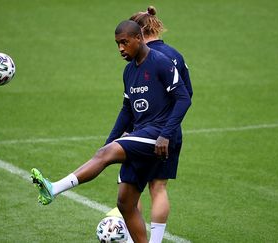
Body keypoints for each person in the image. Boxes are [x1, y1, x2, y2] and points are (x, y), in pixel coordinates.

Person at [31, 20, 191, 243]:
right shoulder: (129, 72)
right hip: (143, 134)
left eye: (124, 43)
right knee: (125, 203)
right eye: (117, 44)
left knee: (111, 162)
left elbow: (184, 98)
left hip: (158, 135)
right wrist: (109, 142)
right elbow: (127, 110)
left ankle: (54, 188)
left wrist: (166, 134)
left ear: (139, 38)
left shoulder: (160, 62)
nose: (121, 49)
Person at [123, 6, 193, 243]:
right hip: (171, 131)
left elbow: (133, 100)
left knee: (131, 186)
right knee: (159, 187)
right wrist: (168, 128)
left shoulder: (141, 58)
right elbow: (186, 94)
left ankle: (136, 239)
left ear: (138, 34)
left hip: (143, 131)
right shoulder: (176, 54)